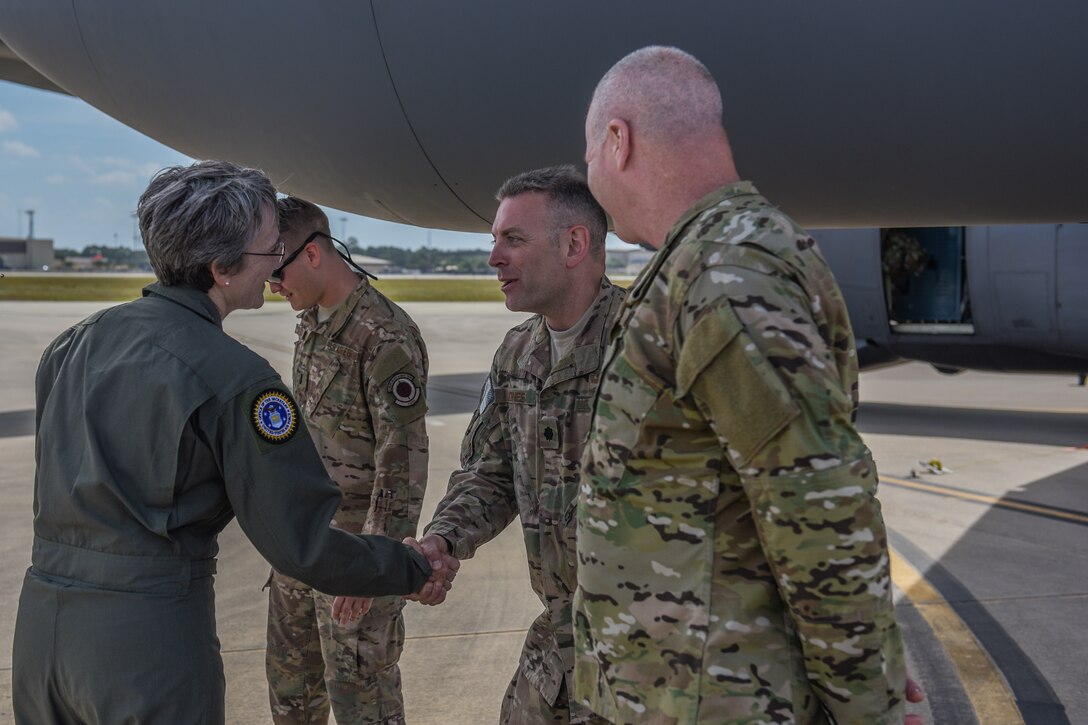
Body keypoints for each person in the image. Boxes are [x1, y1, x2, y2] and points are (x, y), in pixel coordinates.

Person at [10, 160, 453, 725]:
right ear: (222, 268)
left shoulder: (72, 345)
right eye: (269, 250)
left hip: (43, 634)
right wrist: (410, 567)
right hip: (145, 648)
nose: (274, 268)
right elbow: (300, 545)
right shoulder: (238, 379)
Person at [575, 47, 908, 723]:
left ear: (618, 140)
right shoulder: (702, 263)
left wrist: (870, 700)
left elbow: (818, 506)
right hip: (680, 691)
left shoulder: (726, 273)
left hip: (722, 700)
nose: (589, 174)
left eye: (588, 154)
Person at [411, 165, 623, 724]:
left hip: (645, 653)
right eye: (494, 240)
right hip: (560, 639)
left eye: (513, 239)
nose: (494, 258)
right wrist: (443, 540)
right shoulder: (517, 353)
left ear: (575, 244)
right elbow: (492, 470)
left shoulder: (646, 347)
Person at [266, 196, 430, 725]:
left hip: (354, 559)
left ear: (312, 254)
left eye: (278, 271)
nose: (272, 285)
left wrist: (372, 568)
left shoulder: (384, 336)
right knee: (293, 695)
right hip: (302, 548)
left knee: (364, 704)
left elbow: (401, 466)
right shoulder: (313, 321)